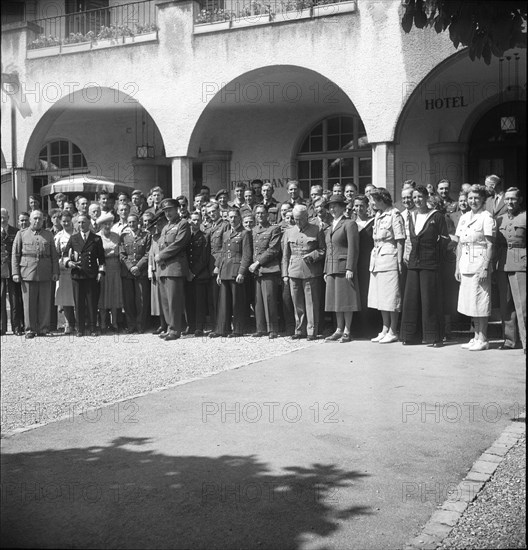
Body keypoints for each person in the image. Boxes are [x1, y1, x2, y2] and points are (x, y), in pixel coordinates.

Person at [400, 186, 449, 346]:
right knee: (411, 300)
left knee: (430, 300)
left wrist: (437, 261)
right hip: (414, 263)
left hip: (431, 263)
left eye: (420, 197)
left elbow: (444, 240)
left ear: (427, 197)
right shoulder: (411, 216)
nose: (417, 200)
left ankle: (434, 337)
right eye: (414, 197)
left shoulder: (437, 216)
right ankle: (411, 336)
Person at [455, 184, 496, 351]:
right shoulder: (464, 217)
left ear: (483, 200)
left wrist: (485, 266)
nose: (473, 201)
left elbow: (490, 244)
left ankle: (483, 338)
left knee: (481, 300)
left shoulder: (486, 217)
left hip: (479, 262)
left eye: (476, 198)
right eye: (470, 198)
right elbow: (459, 244)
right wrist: (457, 267)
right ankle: (475, 336)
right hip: (465, 263)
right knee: (470, 302)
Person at [11, 210, 59, 338]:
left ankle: (44, 328)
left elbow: (54, 255)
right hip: (27, 272)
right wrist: (15, 273)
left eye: (40, 219)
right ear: (30, 220)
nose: (38, 221)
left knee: (45, 301)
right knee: (29, 303)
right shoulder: (21, 234)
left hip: (45, 271)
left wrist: (55, 271)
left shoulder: (48, 235)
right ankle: (30, 329)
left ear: (43, 220)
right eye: (35, 218)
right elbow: (15, 255)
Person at [282, 205, 325, 340]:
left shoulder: (316, 230)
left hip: (310, 271)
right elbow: (285, 255)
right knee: (297, 302)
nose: (298, 222)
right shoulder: (289, 232)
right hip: (293, 270)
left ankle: (312, 330)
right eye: (295, 219)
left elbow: (323, 249)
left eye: (300, 219)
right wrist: (285, 274)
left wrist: (313, 255)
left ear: (307, 217)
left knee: (311, 302)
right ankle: (299, 329)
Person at [368, 188, 405, 344]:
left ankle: (393, 330)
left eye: (373, 200)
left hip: (390, 257)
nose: (371, 203)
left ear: (381, 200)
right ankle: (384, 328)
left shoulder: (394, 214)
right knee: (380, 297)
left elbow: (400, 239)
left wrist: (399, 261)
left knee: (391, 297)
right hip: (377, 258)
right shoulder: (378, 215)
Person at [323, 195, 360, 343]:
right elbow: (328, 249)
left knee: (346, 300)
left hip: (344, 267)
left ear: (343, 207)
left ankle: (347, 330)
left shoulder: (349, 224)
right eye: (330, 206)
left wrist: (350, 267)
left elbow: (353, 248)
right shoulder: (330, 225)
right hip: (332, 267)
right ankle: (338, 328)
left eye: (335, 206)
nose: (332, 209)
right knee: (336, 301)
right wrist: (326, 270)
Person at [210, 208, 252, 338]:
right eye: (230, 217)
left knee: (237, 302)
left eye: (235, 217)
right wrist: (219, 272)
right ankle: (222, 329)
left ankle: (238, 329)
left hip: (236, 271)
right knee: (223, 302)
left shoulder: (244, 233)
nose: (232, 220)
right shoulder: (226, 234)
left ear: (239, 218)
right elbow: (223, 254)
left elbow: (247, 255)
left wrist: (242, 272)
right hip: (225, 271)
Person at [63, 214, 106, 337]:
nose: (81, 225)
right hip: (77, 275)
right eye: (79, 223)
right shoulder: (73, 238)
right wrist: (68, 262)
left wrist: (100, 272)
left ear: (89, 223)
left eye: (84, 222)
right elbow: (65, 255)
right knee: (79, 303)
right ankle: (80, 328)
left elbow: (101, 259)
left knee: (92, 303)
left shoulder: (96, 239)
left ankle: (93, 328)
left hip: (92, 276)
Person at [155, 198, 191, 341]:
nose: (167, 213)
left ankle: (176, 330)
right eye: (165, 211)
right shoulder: (166, 227)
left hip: (175, 267)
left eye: (170, 209)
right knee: (165, 301)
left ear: (177, 209)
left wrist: (161, 255)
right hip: (164, 267)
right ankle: (170, 327)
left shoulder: (183, 224)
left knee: (174, 300)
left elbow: (179, 244)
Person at [495, 187, 526, 352]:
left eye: (513, 199)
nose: (510, 202)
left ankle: (526, 341)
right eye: (507, 199)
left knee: (523, 305)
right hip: (502, 263)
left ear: (519, 200)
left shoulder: (525, 217)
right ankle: (510, 341)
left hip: (521, 263)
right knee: (505, 305)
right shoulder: (499, 219)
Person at [249, 205, 282, 339]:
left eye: (263, 213)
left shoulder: (274, 229)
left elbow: (273, 250)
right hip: (256, 271)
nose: (260, 215)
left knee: (269, 299)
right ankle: (260, 328)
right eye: (257, 213)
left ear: (267, 214)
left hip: (268, 268)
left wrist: (257, 263)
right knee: (258, 301)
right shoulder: (253, 230)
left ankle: (272, 329)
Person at [119, 213, 151, 334]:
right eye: (130, 222)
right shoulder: (123, 237)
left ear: (139, 222)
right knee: (128, 300)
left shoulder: (146, 235)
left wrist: (138, 266)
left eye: (134, 222)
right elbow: (122, 254)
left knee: (141, 300)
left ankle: (141, 325)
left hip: (141, 272)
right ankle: (131, 325)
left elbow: (148, 253)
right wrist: (131, 267)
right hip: (127, 273)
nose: (132, 224)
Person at [351, 195, 376, 338]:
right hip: (355, 263)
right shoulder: (350, 224)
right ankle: (357, 329)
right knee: (357, 295)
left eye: (362, 206)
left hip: (369, 263)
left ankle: (371, 328)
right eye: (356, 206)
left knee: (369, 294)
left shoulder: (373, 223)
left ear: (367, 207)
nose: (359, 209)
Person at [185, 211, 211, 336]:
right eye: (193, 220)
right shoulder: (186, 236)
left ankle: (199, 327)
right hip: (187, 273)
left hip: (199, 274)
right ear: (189, 221)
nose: (195, 222)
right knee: (189, 301)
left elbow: (204, 258)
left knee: (199, 302)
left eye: (197, 220)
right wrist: (187, 272)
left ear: (201, 221)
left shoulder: (204, 236)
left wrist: (193, 272)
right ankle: (191, 325)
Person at [206, 202, 230, 330]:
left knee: (220, 298)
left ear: (219, 211)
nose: (211, 214)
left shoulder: (225, 225)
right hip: (208, 265)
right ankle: (215, 325)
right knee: (212, 298)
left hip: (219, 265)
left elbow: (224, 247)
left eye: (213, 211)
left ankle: (222, 327)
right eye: (209, 213)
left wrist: (218, 265)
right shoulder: (209, 227)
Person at [1, 209, 24, 335]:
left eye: (4, 217)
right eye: (0, 217)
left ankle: (17, 326)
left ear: (8, 217)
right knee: (0, 297)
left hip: (13, 268)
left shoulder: (16, 232)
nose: (2, 220)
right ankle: (2, 327)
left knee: (15, 298)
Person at [54, 211, 76, 334]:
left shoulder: (77, 234)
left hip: (77, 268)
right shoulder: (58, 236)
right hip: (63, 269)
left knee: (77, 297)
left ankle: (79, 322)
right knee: (66, 298)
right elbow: (56, 254)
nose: (66, 223)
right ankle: (68, 324)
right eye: (64, 221)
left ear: (72, 220)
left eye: (68, 220)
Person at [147, 211, 168, 335]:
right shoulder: (154, 238)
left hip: (166, 268)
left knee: (167, 298)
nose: (159, 226)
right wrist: (151, 270)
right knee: (159, 299)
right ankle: (162, 323)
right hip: (156, 270)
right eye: (157, 224)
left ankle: (171, 323)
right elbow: (151, 254)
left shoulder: (167, 236)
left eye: (161, 223)